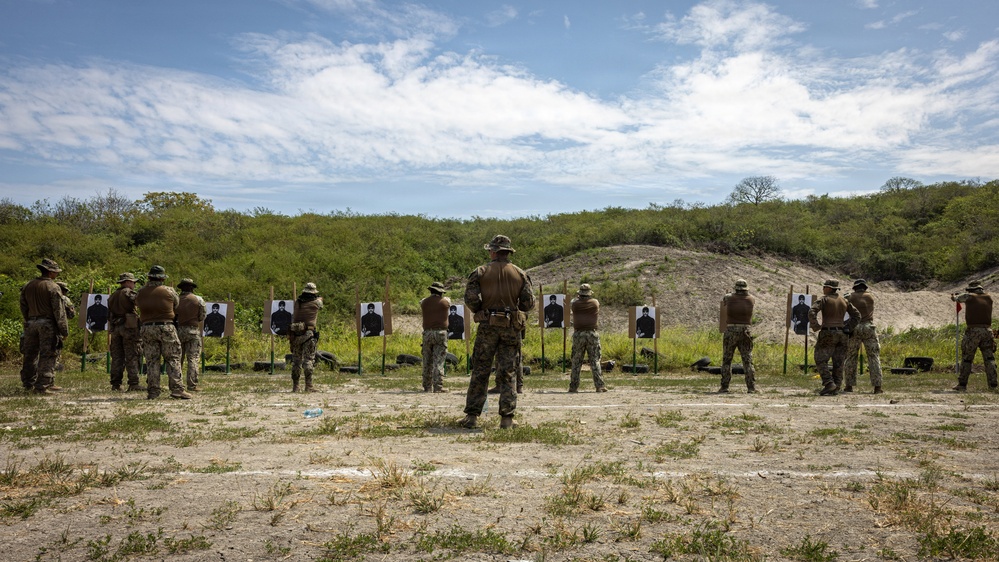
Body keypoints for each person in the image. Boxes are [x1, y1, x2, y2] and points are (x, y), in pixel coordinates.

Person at [460, 235, 535, 429]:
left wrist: (480, 310)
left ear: (493, 252)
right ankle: (507, 419)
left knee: (480, 370)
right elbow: (528, 303)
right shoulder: (520, 274)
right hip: (511, 327)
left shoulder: (480, 272)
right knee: (508, 372)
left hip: (487, 325)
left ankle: (472, 417)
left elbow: (470, 298)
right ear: (508, 252)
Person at [136, 265, 190, 400]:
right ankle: (177, 389)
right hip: (166, 326)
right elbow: (176, 305)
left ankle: (153, 391)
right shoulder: (169, 291)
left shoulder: (140, 292)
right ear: (162, 278)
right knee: (173, 358)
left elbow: (137, 303)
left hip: (147, 327)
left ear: (149, 277)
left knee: (151, 360)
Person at [19, 259, 68, 395]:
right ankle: (42, 386)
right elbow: (59, 311)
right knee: (48, 354)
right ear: (51, 272)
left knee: (30, 355)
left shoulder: (28, 285)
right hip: (47, 324)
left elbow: (23, 305)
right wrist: (63, 329)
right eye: (56, 272)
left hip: (30, 323)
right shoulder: (52, 287)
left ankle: (28, 383)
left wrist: (28, 319)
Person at [808, 280, 860, 396]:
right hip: (842, 334)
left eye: (825, 286)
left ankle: (828, 383)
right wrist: (848, 328)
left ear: (829, 288)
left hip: (828, 332)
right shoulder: (844, 301)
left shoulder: (823, 299)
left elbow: (812, 311)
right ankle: (836, 386)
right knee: (838, 361)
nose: (823, 288)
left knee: (820, 359)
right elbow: (857, 315)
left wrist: (816, 326)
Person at [951, 281, 997, 392]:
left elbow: (956, 299)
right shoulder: (989, 297)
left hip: (973, 331)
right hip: (988, 330)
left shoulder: (969, 296)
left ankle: (962, 384)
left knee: (967, 358)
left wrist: (953, 295)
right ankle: (993, 384)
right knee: (989, 359)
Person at [844, 279, 883, 394]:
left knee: (851, 356)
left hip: (854, 327)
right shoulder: (870, 297)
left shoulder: (850, 297)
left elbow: (844, 305)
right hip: (869, 327)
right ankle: (877, 387)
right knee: (873, 357)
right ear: (865, 287)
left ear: (855, 288)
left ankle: (849, 386)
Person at [719, 279, 756, 393]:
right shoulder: (751, 299)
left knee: (727, 360)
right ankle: (751, 387)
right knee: (747, 360)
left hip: (731, 329)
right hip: (745, 330)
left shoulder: (728, 297)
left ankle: (725, 386)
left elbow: (725, 299)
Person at [108, 272, 143, 392]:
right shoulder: (128, 293)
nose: (134, 284)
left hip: (115, 327)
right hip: (129, 327)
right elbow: (139, 302)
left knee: (117, 357)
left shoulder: (113, 295)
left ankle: (116, 384)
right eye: (133, 282)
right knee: (132, 354)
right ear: (128, 282)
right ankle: (134, 383)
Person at [569, 283, 607, 393]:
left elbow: (572, 302)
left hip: (579, 334)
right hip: (592, 334)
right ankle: (599, 386)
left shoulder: (575, 304)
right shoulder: (595, 303)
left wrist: (578, 298)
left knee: (576, 361)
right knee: (595, 360)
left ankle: (573, 386)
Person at [289, 282, 323, 392]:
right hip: (309, 333)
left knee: (296, 361)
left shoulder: (297, 302)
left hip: (295, 334)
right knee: (308, 360)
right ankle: (309, 386)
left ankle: (296, 386)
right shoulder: (316, 302)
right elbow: (321, 303)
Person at [175, 278, 206, 392]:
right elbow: (202, 316)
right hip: (193, 330)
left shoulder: (176, 299)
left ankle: (177, 384)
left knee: (178, 358)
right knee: (193, 358)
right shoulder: (198, 299)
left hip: (178, 330)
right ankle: (192, 385)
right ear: (192, 288)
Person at [420, 282, 450, 393]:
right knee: (439, 360)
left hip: (427, 333)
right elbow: (448, 302)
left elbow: (422, 301)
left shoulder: (424, 302)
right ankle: (438, 386)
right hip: (441, 333)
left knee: (427, 360)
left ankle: (427, 386)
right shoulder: (445, 302)